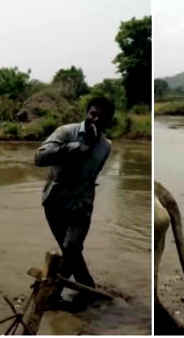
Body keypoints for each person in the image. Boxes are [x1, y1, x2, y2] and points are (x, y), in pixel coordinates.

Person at [34, 97, 114, 293]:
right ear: (86, 113)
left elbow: (93, 177)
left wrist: (86, 203)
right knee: (71, 251)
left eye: (101, 116)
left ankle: (50, 292)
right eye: (92, 114)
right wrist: (69, 149)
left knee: (71, 247)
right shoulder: (66, 132)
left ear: (108, 120)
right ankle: (87, 287)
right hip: (55, 203)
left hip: (81, 205)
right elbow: (39, 158)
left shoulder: (106, 146)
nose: (95, 119)